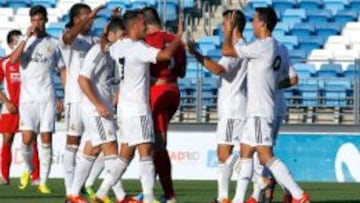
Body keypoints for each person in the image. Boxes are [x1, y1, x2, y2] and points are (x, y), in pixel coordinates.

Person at [222, 7, 309, 203]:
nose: (252, 23)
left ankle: (297, 194)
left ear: (263, 23)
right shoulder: (279, 47)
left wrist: (228, 31)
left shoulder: (262, 46)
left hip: (261, 110)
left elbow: (227, 50)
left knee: (265, 156)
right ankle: (239, 199)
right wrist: (274, 84)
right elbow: (293, 78)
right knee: (245, 151)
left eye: (254, 20)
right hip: (259, 109)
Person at [105, 9, 183, 203]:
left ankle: (103, 193)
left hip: (134, 102)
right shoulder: (150, 44)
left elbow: (107, 44)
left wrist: (113, 21)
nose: (144, 28)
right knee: (149, 148)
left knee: (135, 151)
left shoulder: (123, 46)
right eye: (141, 24)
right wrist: (179, 36)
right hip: (161, 95)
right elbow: (175, 66)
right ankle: (155, 195)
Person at [187, 9, 247, 203]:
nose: (222, 27)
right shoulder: (239, 47)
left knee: (224, 154)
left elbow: (219, 69)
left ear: (233, 26)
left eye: (225, 24)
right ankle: (223, 197)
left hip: (233, 109)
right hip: (231, 108)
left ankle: (260, 179)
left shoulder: (237, 48)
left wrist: (197, 55)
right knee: (224, 155)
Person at [66, 17, 125, 203]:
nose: (123, 40)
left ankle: (73, 194)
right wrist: (98, 105)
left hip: (100, 107)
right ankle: (120, 196)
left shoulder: (108, 53)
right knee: (111, 147)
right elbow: (82, 79)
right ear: (112, 35)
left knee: (92, 149)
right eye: (121, 36)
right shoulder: (99, 52)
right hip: (95, 109)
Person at [9, 5, 64, 194]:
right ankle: (28, 168)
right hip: (28, 99)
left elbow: (61, 69)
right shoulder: (24, 41)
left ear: (46, 20)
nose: (37, 23)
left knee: (46, 138)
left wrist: (61, 95)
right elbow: (14, 61)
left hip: (47, 96)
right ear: (30, 21)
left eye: (40, 20)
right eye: (34, 20)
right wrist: (26, 38)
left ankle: (43, 181)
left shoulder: (54, 43)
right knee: (26, 139)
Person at [59, 3, 105, 198]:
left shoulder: (94, 39)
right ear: (77, 18)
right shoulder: (69, 37)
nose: (91, 19)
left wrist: (112, 22)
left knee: (104, 142)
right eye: (86, 16)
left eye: (91, 16)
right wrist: (90, 16)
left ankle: (85, 184)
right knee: (72, 144)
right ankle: (71, 192)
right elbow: (68, 38)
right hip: (76, 98)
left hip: (94, 99)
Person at [141, 6, 187, 203]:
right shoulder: (176, 41)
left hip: (157, 92)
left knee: (156, 145)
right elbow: (182, 72)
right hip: (174, 91)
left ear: (146, 23)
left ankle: (169, 194)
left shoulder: (151, 40)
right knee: (152, 144)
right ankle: (149, 190)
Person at [0, 30, 40, 185]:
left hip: (28, 107)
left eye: (21, 41)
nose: (19, 45)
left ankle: (36, 177)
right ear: (10, 45)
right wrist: (7, 102)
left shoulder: (29, 61)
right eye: (16, 42)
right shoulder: (4, 62)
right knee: (7, 141)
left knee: (32, 141)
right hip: (10, 108)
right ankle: (4, 176)